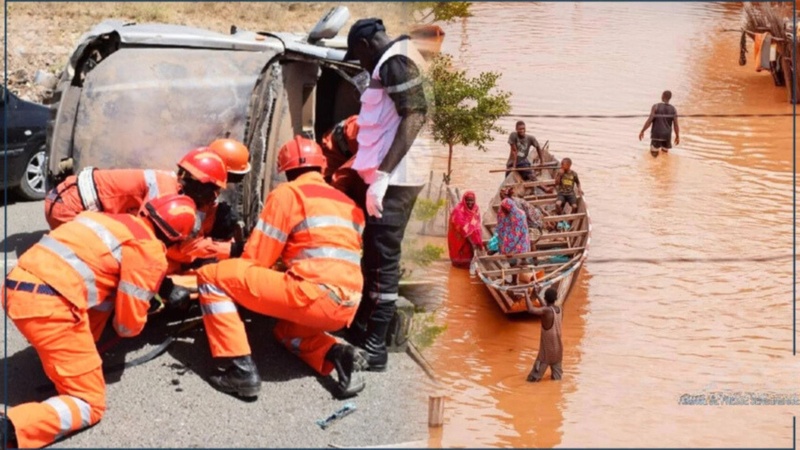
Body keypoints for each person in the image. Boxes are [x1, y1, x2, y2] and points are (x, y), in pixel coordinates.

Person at [0, 194, 197, 449]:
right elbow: (127, 327)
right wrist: (150, 305)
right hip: (48, 307)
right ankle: (11, 428)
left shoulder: (105, 219)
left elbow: (99, 280)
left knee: (100, 302)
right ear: (176, 237)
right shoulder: (149, 251)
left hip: (15, 287)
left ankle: (67, 359)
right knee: (89, 403)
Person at [194, 136, 367, 400]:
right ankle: (336, 352)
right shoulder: (348, 204)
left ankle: (239, 371)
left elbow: (255, 260)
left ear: (286, 171)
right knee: (286, 331)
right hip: (347, 306)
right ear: (322, 167)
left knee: (211, 278)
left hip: (312, 294)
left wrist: (219, 257)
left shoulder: (289, 194)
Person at [343, 18, 430, 371]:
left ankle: (375, 346)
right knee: (375, 257)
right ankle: (365, 328)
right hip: (393, 177)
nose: (359, 63)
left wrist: (381, 175)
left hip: (396, 179)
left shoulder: (395, 60)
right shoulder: (393, 60)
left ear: (365, 46)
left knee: (382, 258)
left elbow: (415, 114)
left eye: (357, 56)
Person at [319, 115, 367, 206]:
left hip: (351, 146)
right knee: (321, 191)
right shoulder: (380, 148)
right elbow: (340, 179)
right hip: (335, 147)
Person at [526, 287, 564, 382]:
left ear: (545, 298)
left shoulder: (546, 311)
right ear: (556, 298)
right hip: (558, 351)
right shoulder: (559, 309)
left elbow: (530, 309)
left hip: (546, 354)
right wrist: (538, 296)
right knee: (557, 381)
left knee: (532, 381)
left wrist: (525, 294)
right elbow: (546, 308)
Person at [638, 90, 680, 157]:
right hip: (667, 136)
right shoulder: (674, 109)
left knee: (654, 156)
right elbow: (676, 125)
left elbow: (649, 120)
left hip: (657, 135)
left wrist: (642, 131)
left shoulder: (656, 106)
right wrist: (677, 136)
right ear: (670, 98)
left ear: (662, 96)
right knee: (664, 155)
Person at [448, 191, 484, 268]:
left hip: (470, 237)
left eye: (472, 200)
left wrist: (477, 241)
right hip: (459, 237)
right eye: (468, 200)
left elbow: (477, 225)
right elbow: (462, 228)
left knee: (469, 255)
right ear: (464, 200)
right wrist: (473, 242)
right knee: (460, 259)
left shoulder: (475, 208)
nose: (470, 202)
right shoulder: (458, 211)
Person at [495, 198, 531, 268]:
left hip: (520, 241)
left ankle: (523, 261)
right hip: (508, 241)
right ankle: (515, 270)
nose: (504, 211)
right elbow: (499, 228)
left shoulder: (520, 215)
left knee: (518, 258)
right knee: (512, 262)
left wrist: (513, 251)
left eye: (505, 210)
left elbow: (520, 235)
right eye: (503, 209)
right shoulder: (502, 213)